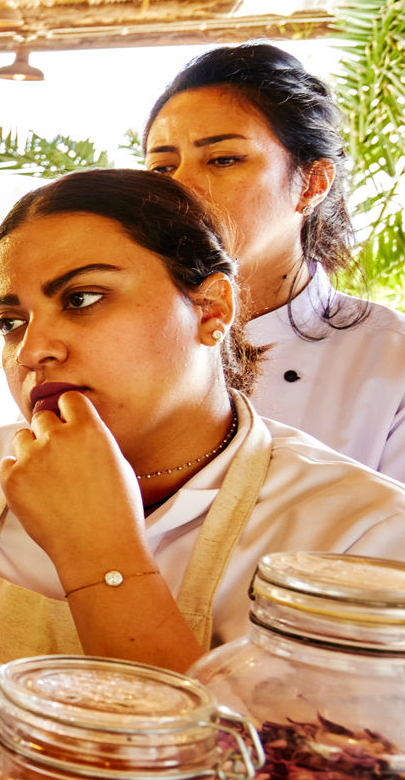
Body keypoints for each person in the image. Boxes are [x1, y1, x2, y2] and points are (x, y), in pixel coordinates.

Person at [0, 169, 405, 780]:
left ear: (211, 310)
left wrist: (100, 554)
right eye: (11, 322)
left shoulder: (357, 536)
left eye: (82, 299)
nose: (33, 350)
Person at [146, 43, 405, 480]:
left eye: (223, 159)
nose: (183, 187)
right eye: (162, 169)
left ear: (312, 183)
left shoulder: (389, 360)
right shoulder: (122, 336)